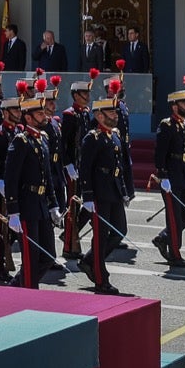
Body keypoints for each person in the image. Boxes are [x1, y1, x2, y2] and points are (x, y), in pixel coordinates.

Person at [78, 87, 130, 294]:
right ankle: (100, 278)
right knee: (100, 237)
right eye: (111, 113)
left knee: (120, 231)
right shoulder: (93, 138)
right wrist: (87, 196)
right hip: (99, 194)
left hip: (114, 192)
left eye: (116, 112)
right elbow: (85, 169)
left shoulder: (114, 136)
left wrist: (124, 190)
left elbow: (120, 165)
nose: (115, 115)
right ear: (99, 115)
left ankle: (90, 260)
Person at [4, 95, 57, 289]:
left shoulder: (42, 139)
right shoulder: (21, 141)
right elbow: (11, 177)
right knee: (30, 257)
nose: (45, 116)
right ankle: (29, 293)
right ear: (28, 118)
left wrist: (53, 204)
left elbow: (47, 174)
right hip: (26, 206)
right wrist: (13, 211)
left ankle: (17, 286)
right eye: (40, 113)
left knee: (49, 255)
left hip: (41, 205)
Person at [152, 84, 185, 267]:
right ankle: (175, 254)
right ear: (174, 106)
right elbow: (159, 154)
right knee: (174, 217)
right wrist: (163, 176)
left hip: (183, 175)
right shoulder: (166, 125)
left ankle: (163, 237)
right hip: (171, 176)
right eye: (184, 103)